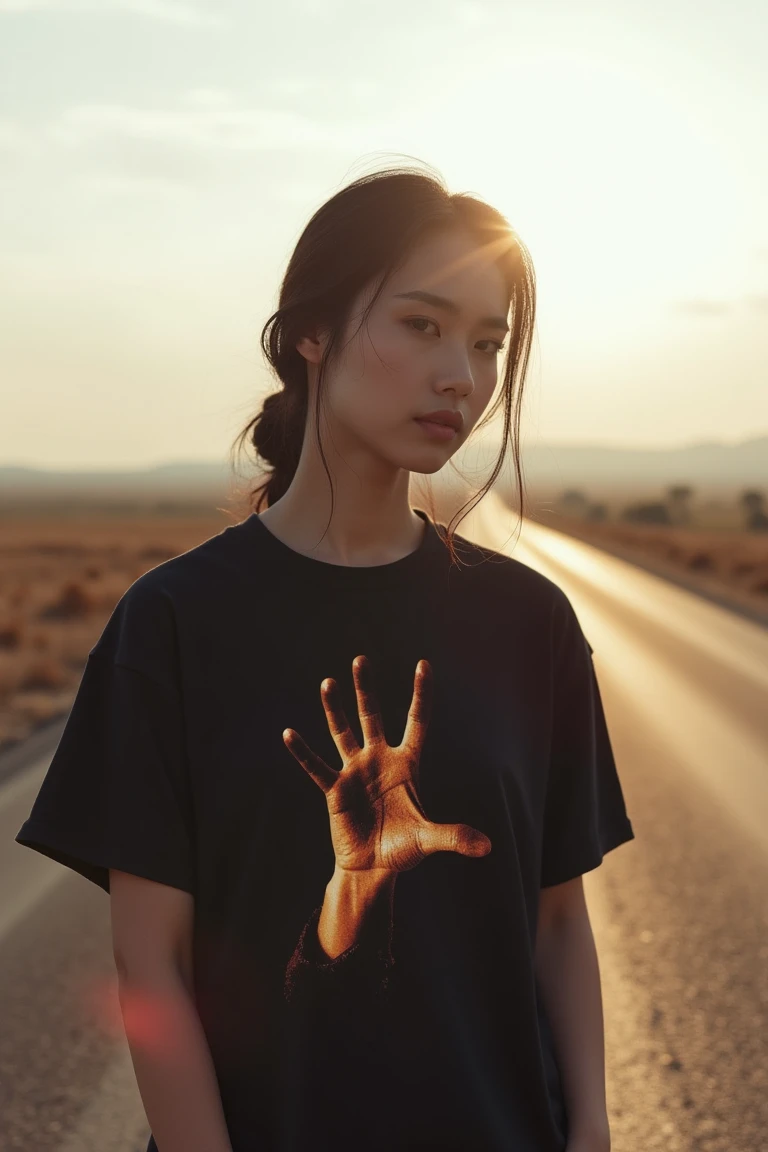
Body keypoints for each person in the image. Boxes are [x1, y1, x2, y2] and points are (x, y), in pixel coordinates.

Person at [16, 161, 635, 1152]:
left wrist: (594, 1133)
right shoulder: (172, 625)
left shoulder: (531, 624)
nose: (461, 378)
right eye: (422, 325)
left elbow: (559, 928)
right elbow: (152, 965)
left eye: (486, 345)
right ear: (311, 331)